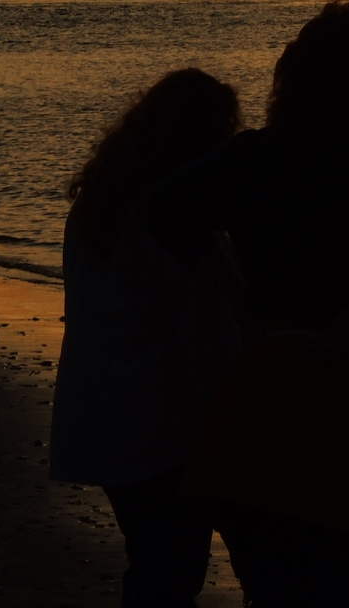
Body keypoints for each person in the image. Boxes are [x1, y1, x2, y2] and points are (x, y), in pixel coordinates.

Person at [149, 2, 349, 608]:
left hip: (267, 396)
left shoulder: (250, 159)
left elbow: (165, 210)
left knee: (276, 584)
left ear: (290, 76)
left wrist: (232, 290)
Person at [49, 68, 245, 608]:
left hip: (100, 411)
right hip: (160, 424)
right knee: (170, 570)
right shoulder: (176, 221)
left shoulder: (95, 208)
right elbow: (204, 335)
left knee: (155, 561)